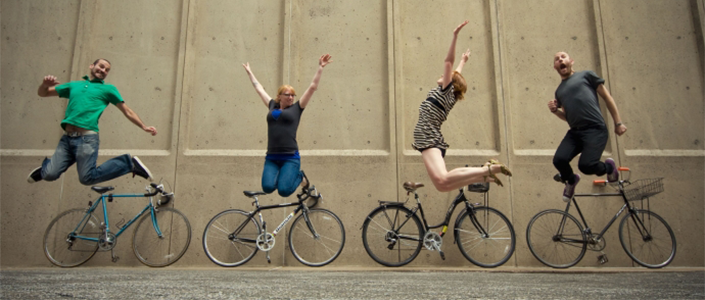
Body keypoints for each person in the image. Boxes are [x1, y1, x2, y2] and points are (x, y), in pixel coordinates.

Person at [412, 21, 512, 193]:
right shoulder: (449, 94)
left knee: (443, 180)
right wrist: (463, 62)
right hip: (429, 137)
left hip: (428, 137)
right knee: (442, 184)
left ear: (451, 82)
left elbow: (448, 63)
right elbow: (456, 74)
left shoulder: (445, 91)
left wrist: (455, 36)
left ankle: (487, 169)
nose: (443, 75)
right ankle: (483, 174)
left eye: (448, 76)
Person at [27, 58, 157, 185]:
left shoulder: (108, 89)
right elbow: (43, 94)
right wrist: (44, 85)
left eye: (107, 70)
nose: (103, 70)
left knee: (86, 178)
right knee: (50, 174)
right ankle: (45, 169)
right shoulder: (74, 85)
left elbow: (127, 111)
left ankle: (128, 163)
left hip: (87, 140)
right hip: (67, 140)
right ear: (91, 66)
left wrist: (143, 126)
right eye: (101, 66)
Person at [242, 54, 332, 197]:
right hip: (271, 157)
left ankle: (300, 177)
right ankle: (284, 177)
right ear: (280, 96)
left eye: (293, 95)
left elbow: (312, 87)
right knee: (267, 187)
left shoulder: (297, 108)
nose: (291, 97)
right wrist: (250, 73)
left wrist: (320, 68)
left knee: (284, 191)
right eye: (287, 95)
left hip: (290, 157)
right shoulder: (272, 105)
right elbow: (259, 89)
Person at [548, 51, 627, 201]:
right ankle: (571, 180)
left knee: (586, 166)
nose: (560, 60)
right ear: (555, 67)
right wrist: (555, 112)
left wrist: (618, 123)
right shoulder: (559, 91)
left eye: (563, 57)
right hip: (575, 132)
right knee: (559, 160)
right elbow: (568, 117)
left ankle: (609, 168)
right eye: (557, 59)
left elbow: (607, 97)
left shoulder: (586, 76)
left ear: (571, 61)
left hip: (595, 129)